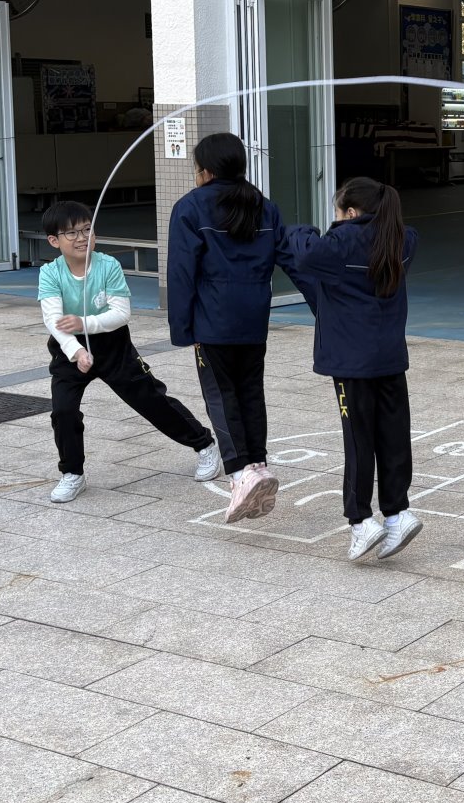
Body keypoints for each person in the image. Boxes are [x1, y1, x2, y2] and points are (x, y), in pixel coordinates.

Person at [38, 200, 219, 505]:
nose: (82, 238)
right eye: (72, 233)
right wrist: (77, 351)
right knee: (63, 411)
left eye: (87, 229)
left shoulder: (108, 265)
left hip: (114, 346)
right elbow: (54, 320)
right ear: (54, 241)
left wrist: (85, 322)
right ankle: (72, 473)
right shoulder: (49, 273)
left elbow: (121, 314)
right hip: (70, 351)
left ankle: (204, 444)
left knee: (151, 399)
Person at [281, 176, 422, 562]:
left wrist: (303, 229)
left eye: (338, 212)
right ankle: (397, 513)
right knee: (393, 436)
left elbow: (305, 251)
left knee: (358, 441)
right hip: (389, 358)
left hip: (352, 363)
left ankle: (361, 520)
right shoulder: (402, 241)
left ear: (352, 212)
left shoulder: (342, 244)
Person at [168, 131, 285, 525]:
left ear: (206, 170)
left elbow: (181, 272)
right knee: (250, 390)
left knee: (221, 395)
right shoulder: (264, 206)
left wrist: (182, 328)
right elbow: (283, 256)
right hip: (254, 315)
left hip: (213, 319)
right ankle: (258, 464)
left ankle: (240, 473)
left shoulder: (190, 207)